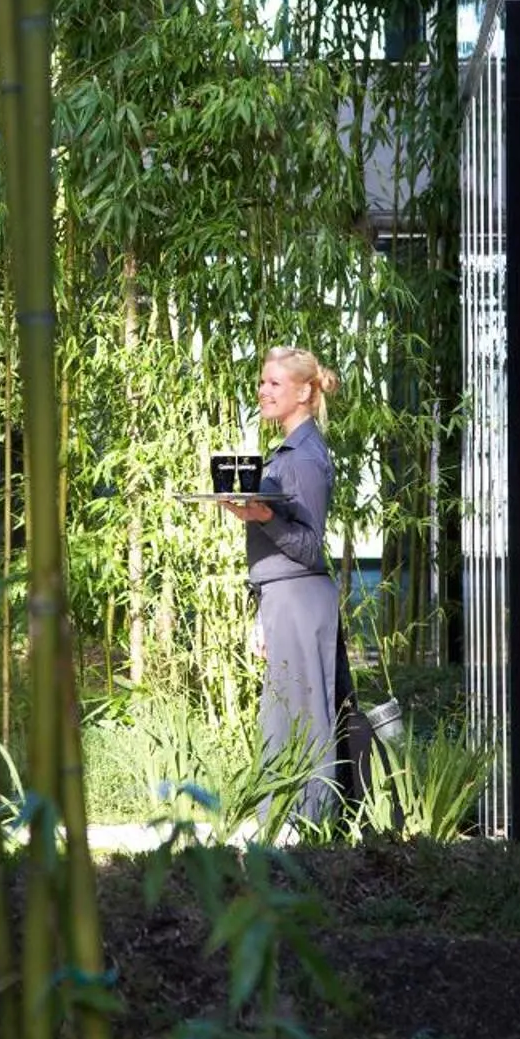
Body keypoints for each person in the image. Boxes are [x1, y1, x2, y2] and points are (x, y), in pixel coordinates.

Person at [219, 346, 342, 828]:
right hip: (282, 597)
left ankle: (308, 827)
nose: (263, 391)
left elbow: (311, 548)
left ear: (305, 392)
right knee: (282, 718)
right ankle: (283, 826)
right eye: (262, 382)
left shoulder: (306, 459)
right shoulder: (286, 453)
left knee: (305, 721)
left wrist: (265, 516)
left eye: (273, 383)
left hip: (299, 596)